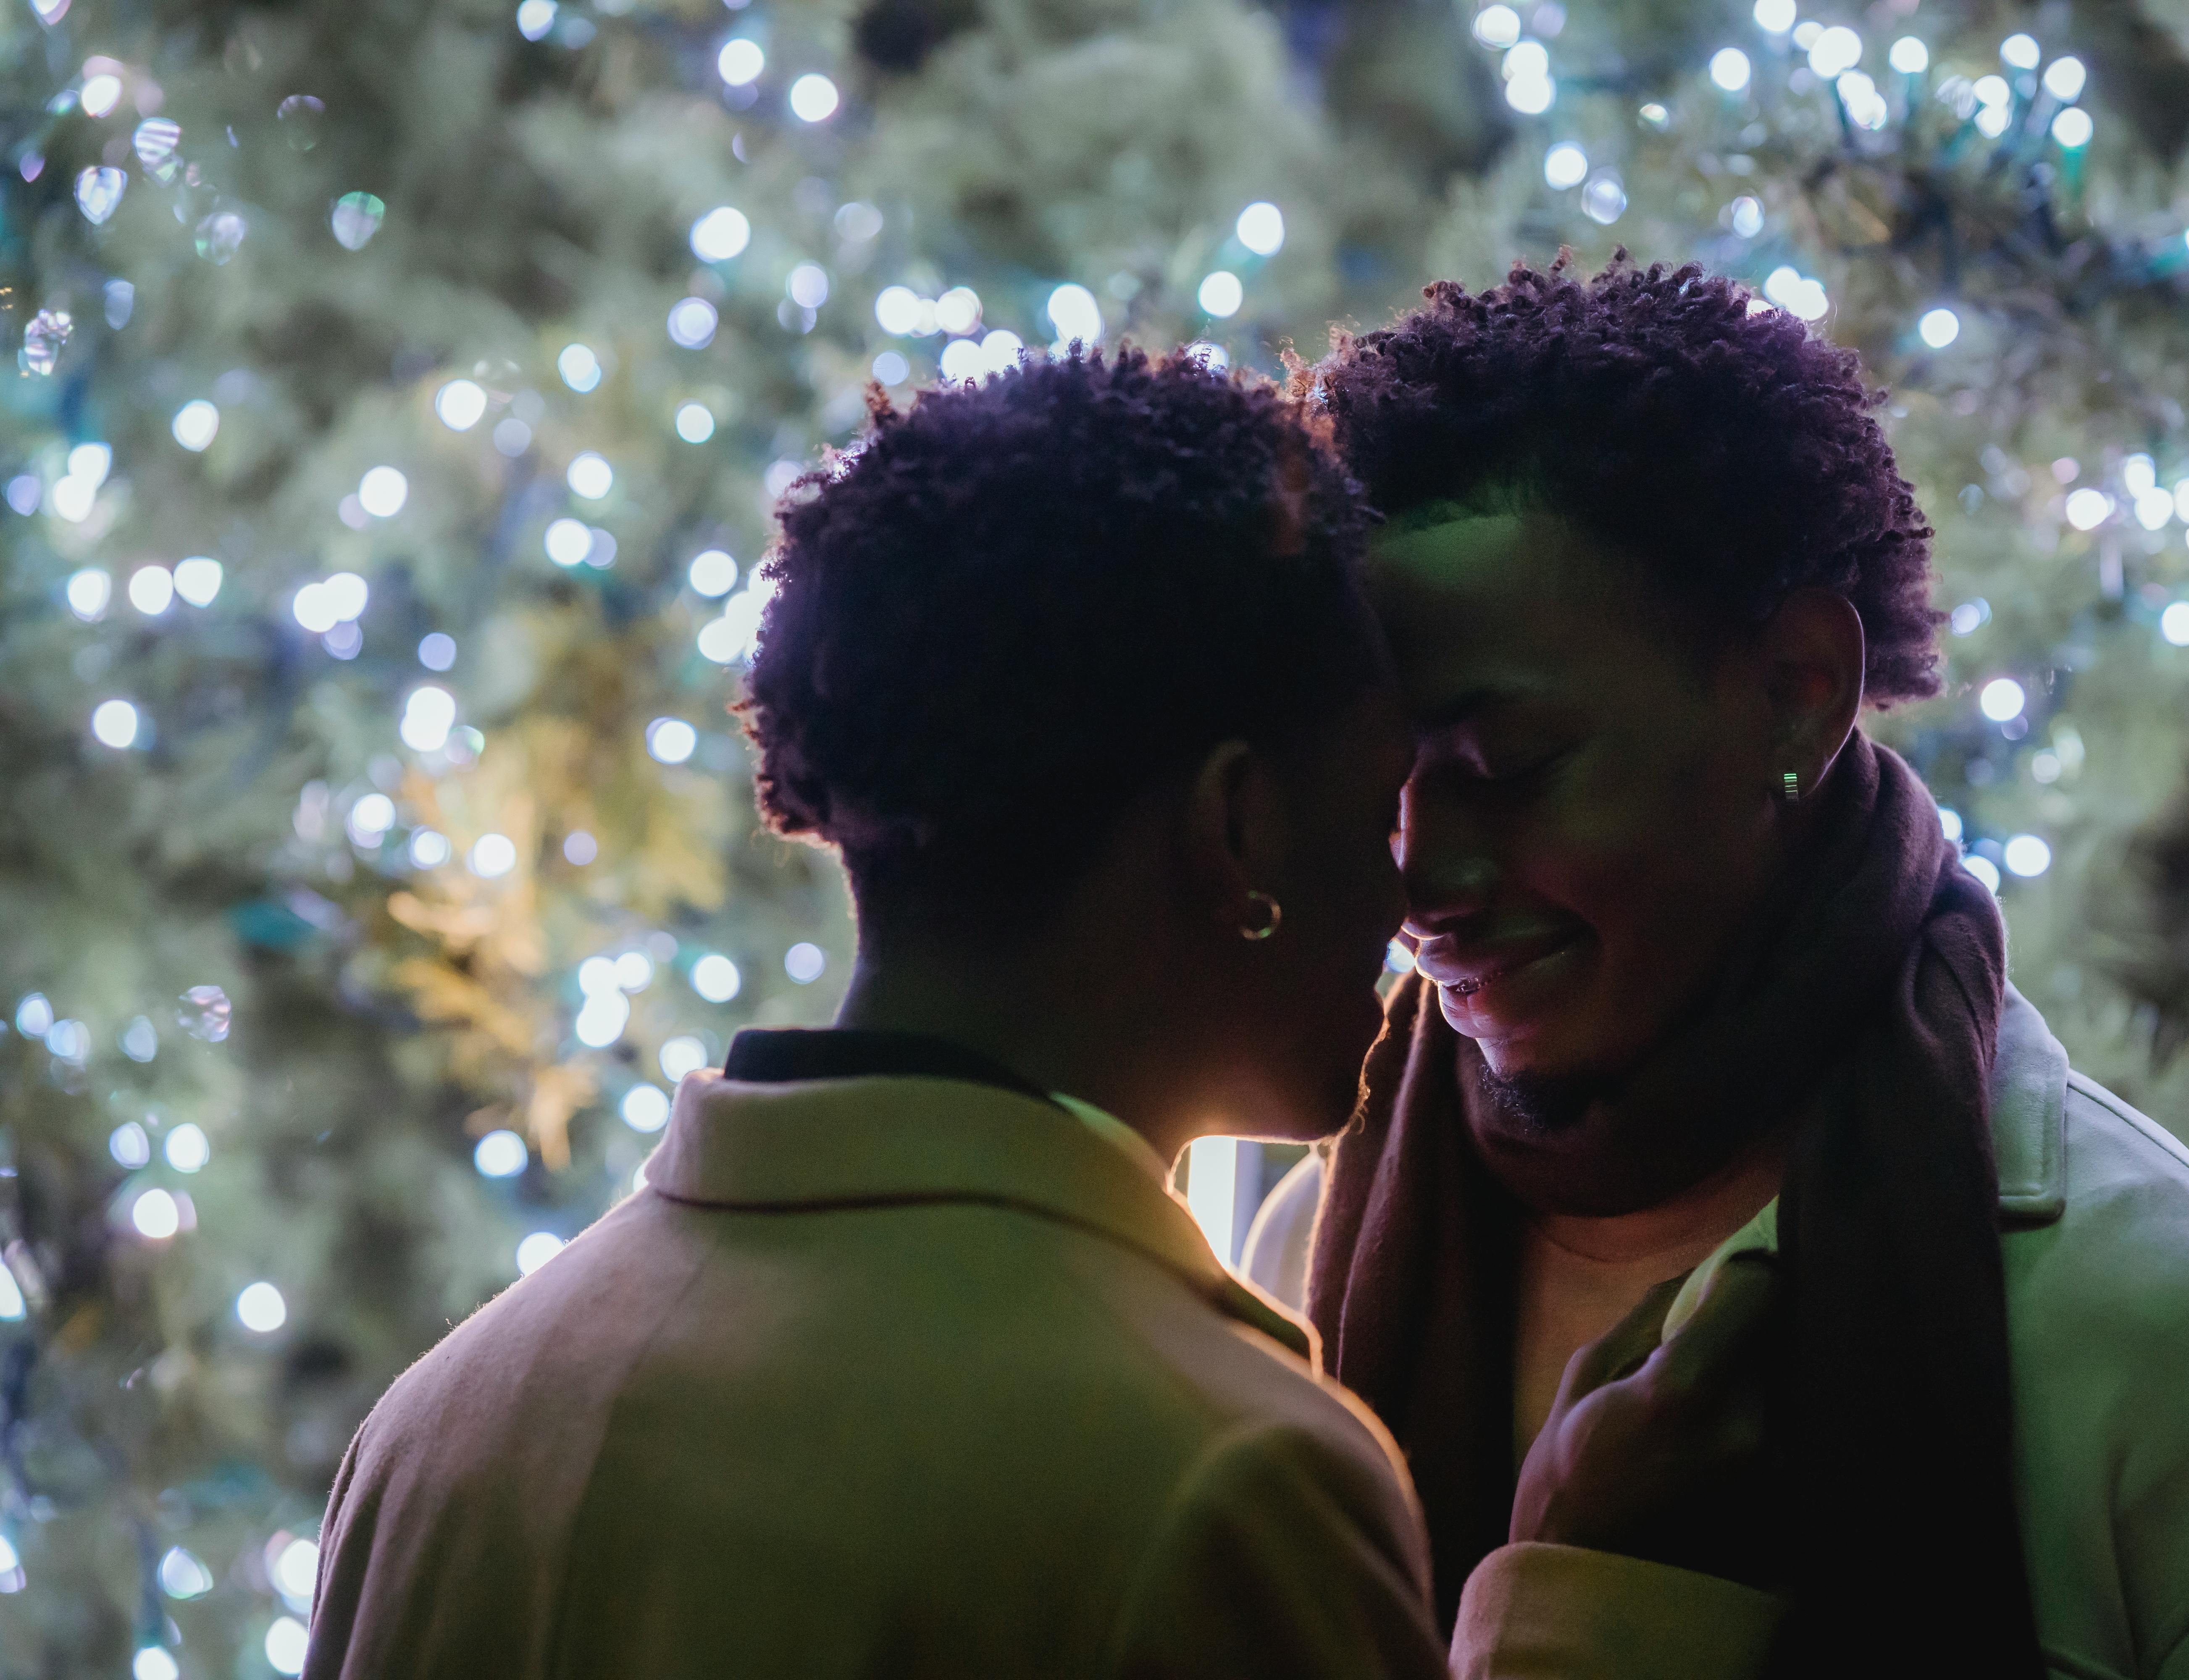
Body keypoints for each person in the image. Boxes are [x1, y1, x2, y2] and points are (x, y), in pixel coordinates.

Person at [1244, 257, 2189, 1680]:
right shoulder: (1305, 1262)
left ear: (1799, 692)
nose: (1421, 880)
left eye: (1509, 769)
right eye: (1383, 786)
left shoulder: (2150, 1331)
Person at [306, 350, 1450, 1678]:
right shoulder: (1220, 1481)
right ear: (1236, 825)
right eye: (1381, 809)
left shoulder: (437, 1427)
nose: (1412, 889)